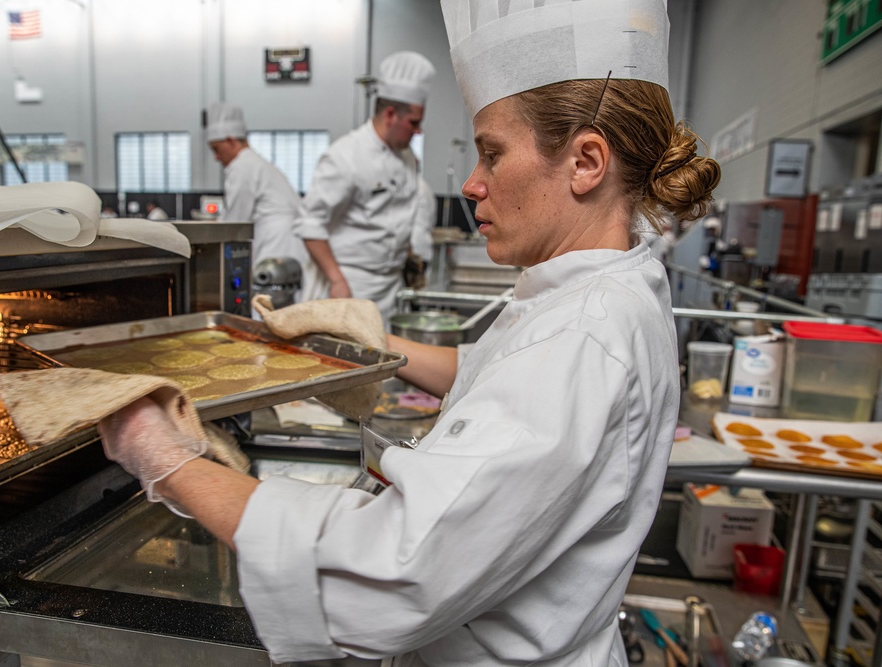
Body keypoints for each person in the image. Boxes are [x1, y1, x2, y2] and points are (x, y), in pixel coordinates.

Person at [97, 0, 721, 664]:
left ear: (586, 162)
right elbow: (492, 368)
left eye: (492, 153)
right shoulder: (614, 288)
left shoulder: (584, 337)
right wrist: (369, 348)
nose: (473, 184)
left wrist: (168, 460)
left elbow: (390, 575)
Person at [296, 50, 436, 323]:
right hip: (349, 284)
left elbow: (397, 215)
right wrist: (336, 280)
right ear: (391, 114)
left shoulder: (407, 157)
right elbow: (309, 224)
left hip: (390, 286)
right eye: (414, 123)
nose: (418, 131)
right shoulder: (345, 156)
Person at [206, 102, 309, 276]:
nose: (216, 157)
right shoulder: (256, 163)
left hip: (275, 243)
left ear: (231, 141)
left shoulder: (242, 166)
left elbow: (234, 222)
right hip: (290, 244)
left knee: (267, 298)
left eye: (216, 149)